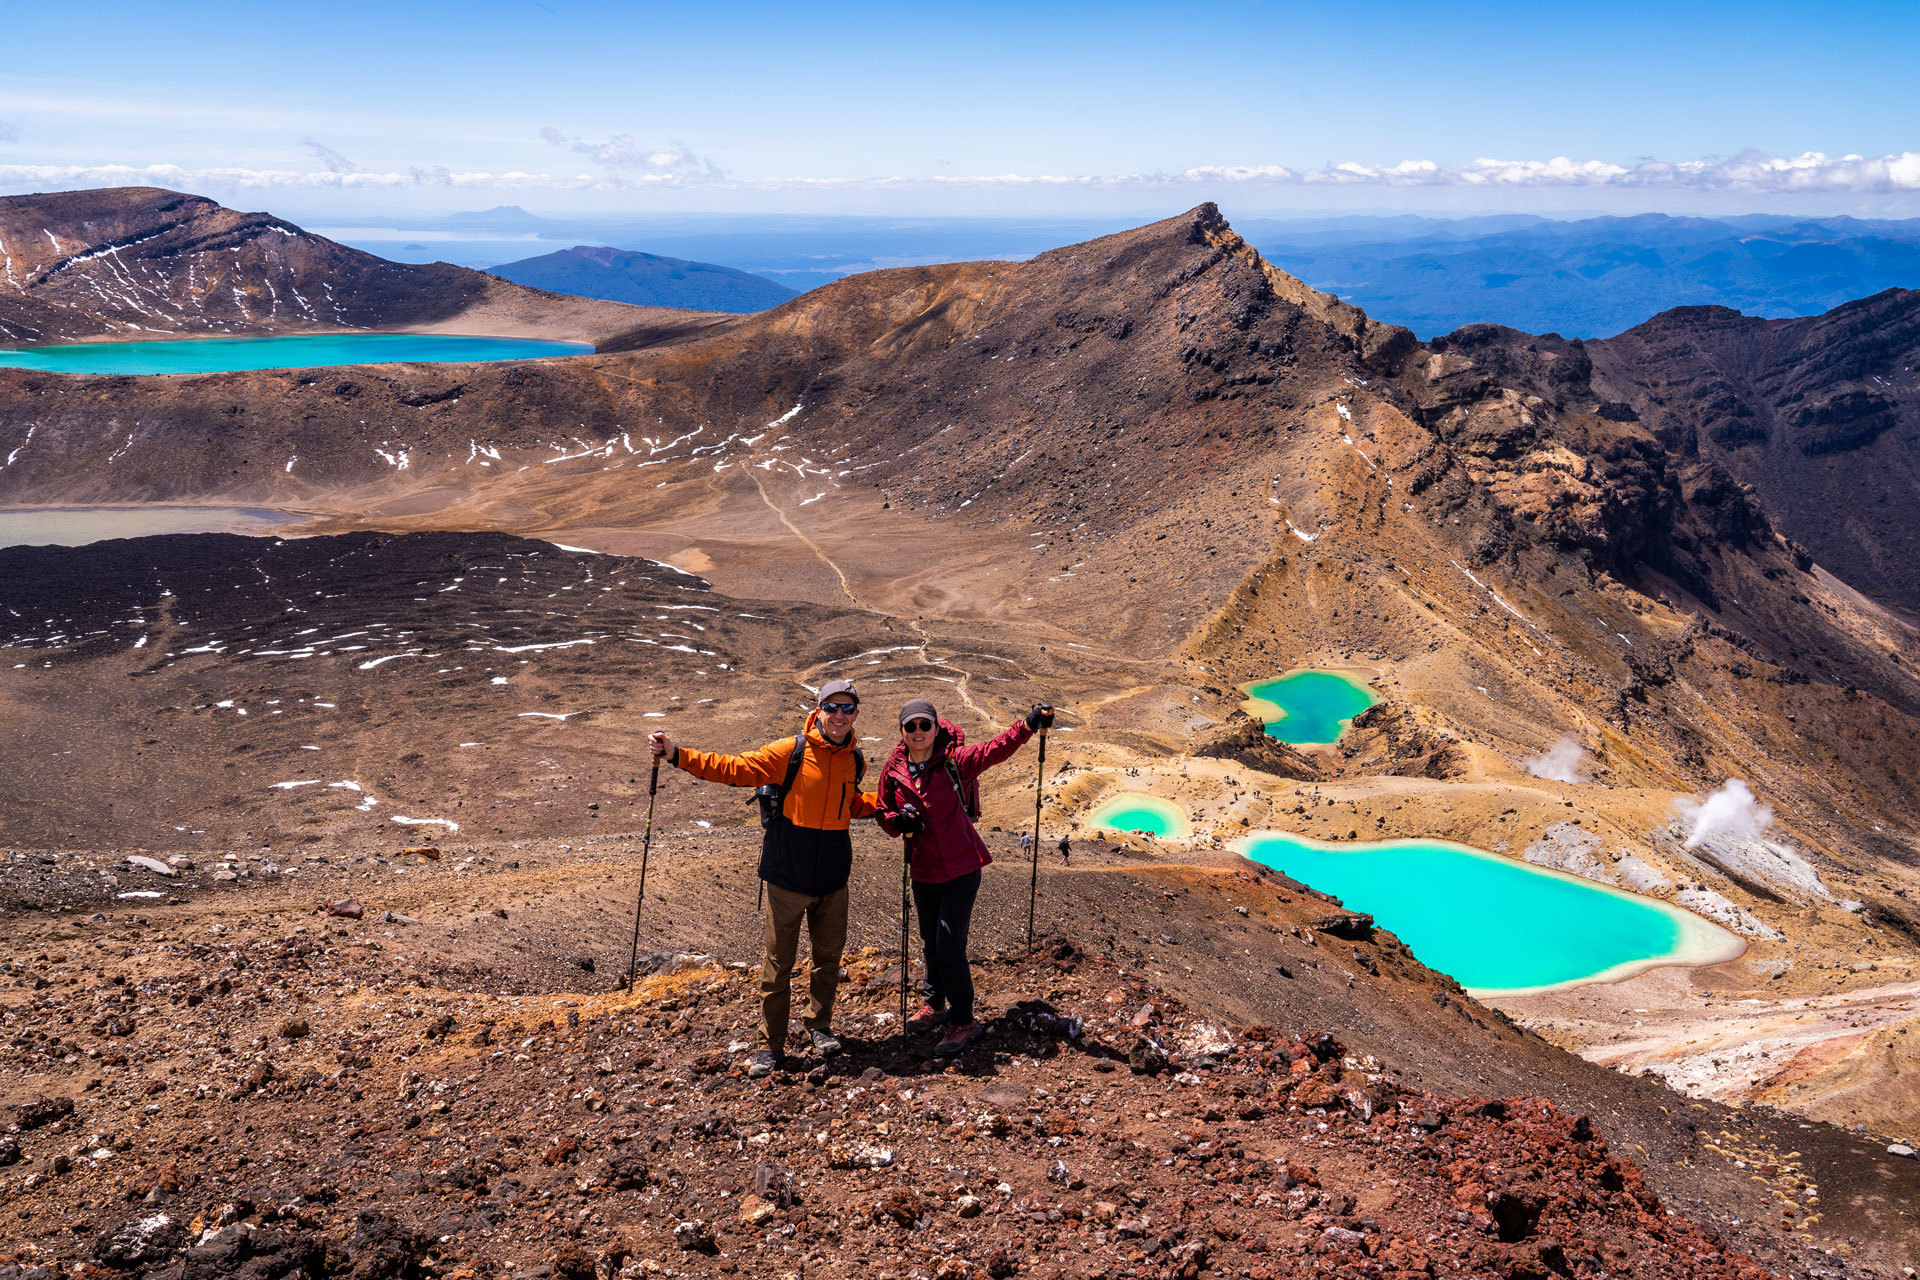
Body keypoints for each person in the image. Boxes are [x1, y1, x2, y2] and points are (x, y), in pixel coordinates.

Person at [650, 679, 877, 1078]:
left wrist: (887, 805)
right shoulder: (790, 751)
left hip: (832, 879)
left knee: (828, 960)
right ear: (818, 710)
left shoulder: (853, 759)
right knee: (779, 965)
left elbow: (852, 804)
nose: (839, 716)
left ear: (856, 713)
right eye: (832, 708)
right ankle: (770, 1045)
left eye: (848, 709)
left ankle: (819, 1026)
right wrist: (677, 754)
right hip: (788, 877)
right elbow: (734, 769)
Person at [875, 698, 1053, 1056]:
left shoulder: (955, 761)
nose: (919, 732)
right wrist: (899, 823)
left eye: (925, 725)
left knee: (948, 946)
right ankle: (935, 1004)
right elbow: (883, 811)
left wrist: (1028, 724)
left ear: (937, 728)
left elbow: (995, 749)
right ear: (902, 732)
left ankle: (963, 1018)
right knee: (929, 941)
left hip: (961, 867)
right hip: (924, 870)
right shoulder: (893, 769)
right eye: (911, 727)